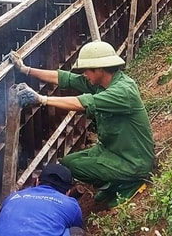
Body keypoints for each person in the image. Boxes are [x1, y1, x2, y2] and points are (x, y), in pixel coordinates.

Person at [10, 40, 154, 206]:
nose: (84, 74)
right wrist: (25, 69)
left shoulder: (123, 92)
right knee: (69, 163)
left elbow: (82, 103)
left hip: (134, 161)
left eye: (86, 69)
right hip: (113, 151)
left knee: (78, 168)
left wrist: (42, 99)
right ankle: (114, 182)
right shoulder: (103, 83)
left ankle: (131, 181)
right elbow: (66, 78)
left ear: (99, 69)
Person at [0, 162, 85, 236]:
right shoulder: (70, 204)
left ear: (37, 181)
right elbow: (78, 226)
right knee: (77, 232)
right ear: (68, 192)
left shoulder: (13, 197)